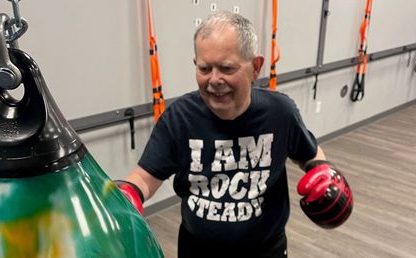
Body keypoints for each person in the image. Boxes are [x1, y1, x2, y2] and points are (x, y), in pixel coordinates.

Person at [116, 10, 353, 258]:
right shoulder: (179, 118)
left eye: (227, 68)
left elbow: (310, 153)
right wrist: (126, 195)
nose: (214, 80)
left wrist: (322, 169)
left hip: (265, 250)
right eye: (204, 68)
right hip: (197, 249)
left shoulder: (280, 112)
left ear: (255, 67)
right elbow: (145, 178)